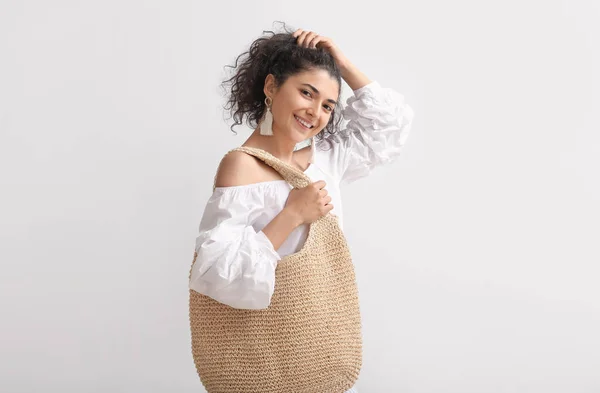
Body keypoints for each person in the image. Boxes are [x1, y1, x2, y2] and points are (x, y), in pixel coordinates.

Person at [189, 24, 414, 393]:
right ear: (271, 87)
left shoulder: (327, 158)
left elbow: (390, 125)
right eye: (306, 93)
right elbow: (216, 275)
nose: (315, 112)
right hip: (262, 363)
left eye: (328, 105)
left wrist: (339, 61)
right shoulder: (241, 165)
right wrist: (293, 214)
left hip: (321, 348)